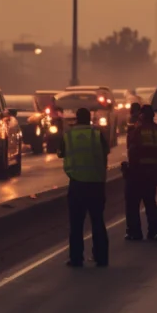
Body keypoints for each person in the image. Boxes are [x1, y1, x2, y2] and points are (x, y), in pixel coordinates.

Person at [57, 107, 111, 266]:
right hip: (96, 183)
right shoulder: (97, 134)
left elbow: (60, 153)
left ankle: (76, 258)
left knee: (76, 224)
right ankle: (101, 257)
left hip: (77, 184)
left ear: (76, 119)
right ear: (89, 119)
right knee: (97, 221)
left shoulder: (68, 135)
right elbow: (105, 151)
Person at [124, 105, 157, 241]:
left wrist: (129, 169)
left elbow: (132, 152)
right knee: (150, 201)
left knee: (132, 202)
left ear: (142, 116)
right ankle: (154, 230)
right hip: (155, 172)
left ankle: (134, 232)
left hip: (139, 172)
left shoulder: (137, 132)